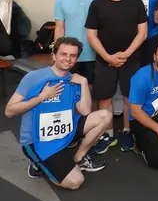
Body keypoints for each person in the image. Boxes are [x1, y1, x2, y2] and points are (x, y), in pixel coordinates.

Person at [5, 37, 111, 189]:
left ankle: (79, 157)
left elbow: (85, 111)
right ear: (54, 56)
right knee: (75, 182)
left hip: (64, 131)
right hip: (37, 141)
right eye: (63, 54)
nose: (67, 59)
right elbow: (9, 111)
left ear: (76, 59)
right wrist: (42, 97)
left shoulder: (74, 80)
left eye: (72, 55)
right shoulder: (33, 78)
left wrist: (83, 83)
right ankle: (38, 164)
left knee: (104, 116)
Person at [86, 0, 148, 153]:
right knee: (105, 98)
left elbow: (142, 33)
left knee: (130, 98)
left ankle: (127, 131)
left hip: (131, 58)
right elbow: (91, 35)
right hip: (105, 60)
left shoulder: (136, 2)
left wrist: (126, 54)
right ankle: (108, 133)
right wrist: (108, 57)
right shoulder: (97, 4)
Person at [54, 0, 102, 99]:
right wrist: (58, 52)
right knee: (67, 92)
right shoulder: (62, 0)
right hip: (68, 55)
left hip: (94, 54)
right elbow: (60, 28)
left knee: (91, 93)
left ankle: (90, 121)